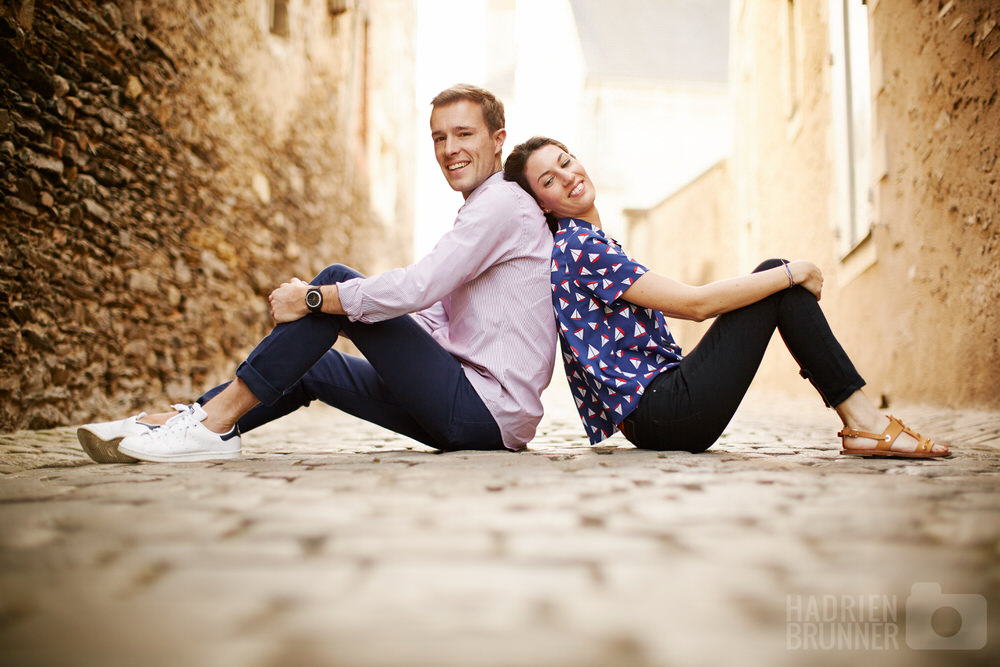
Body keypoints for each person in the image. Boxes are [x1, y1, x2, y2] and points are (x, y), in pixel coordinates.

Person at [77, 84, 556, 463]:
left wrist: (316, 300)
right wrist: (352, 312)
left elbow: (418, 287)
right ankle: (186, 421)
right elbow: (433, 316)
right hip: (473, 412)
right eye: (439, 137)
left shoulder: (500, 204)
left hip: (482, 411)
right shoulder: (487, 209)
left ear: (498, 140)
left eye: (463, 134)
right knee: (313, 367)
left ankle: (207, 425)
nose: (449, 148)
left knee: (334, 281)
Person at [502, 136, 948, 459]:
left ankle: (863, 423)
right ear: (541, 203)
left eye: (566, 161)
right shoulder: (580, 247)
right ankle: (865, 423)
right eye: (549, 179)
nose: (568, 176)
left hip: (658, 413)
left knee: (779, 283)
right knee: (779, 277)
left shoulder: (589, 242)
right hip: (663, 411)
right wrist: (797, 271)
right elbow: (696, 305)